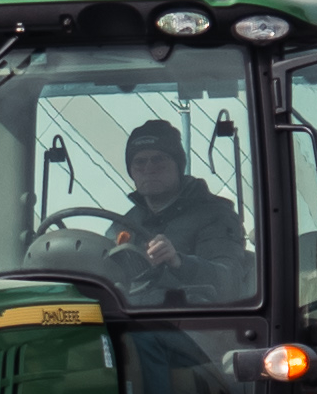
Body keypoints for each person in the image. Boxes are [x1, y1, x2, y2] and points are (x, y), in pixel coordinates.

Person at [105, 122, 252, 302]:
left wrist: (179, 262)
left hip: (190, 324)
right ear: (131, 172)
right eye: (140, 162)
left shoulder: (216, 216)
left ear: (178, 165)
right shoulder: (125, 223)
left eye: (158, 159)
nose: (149, 168)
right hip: (129, 320)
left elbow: (230, 284)